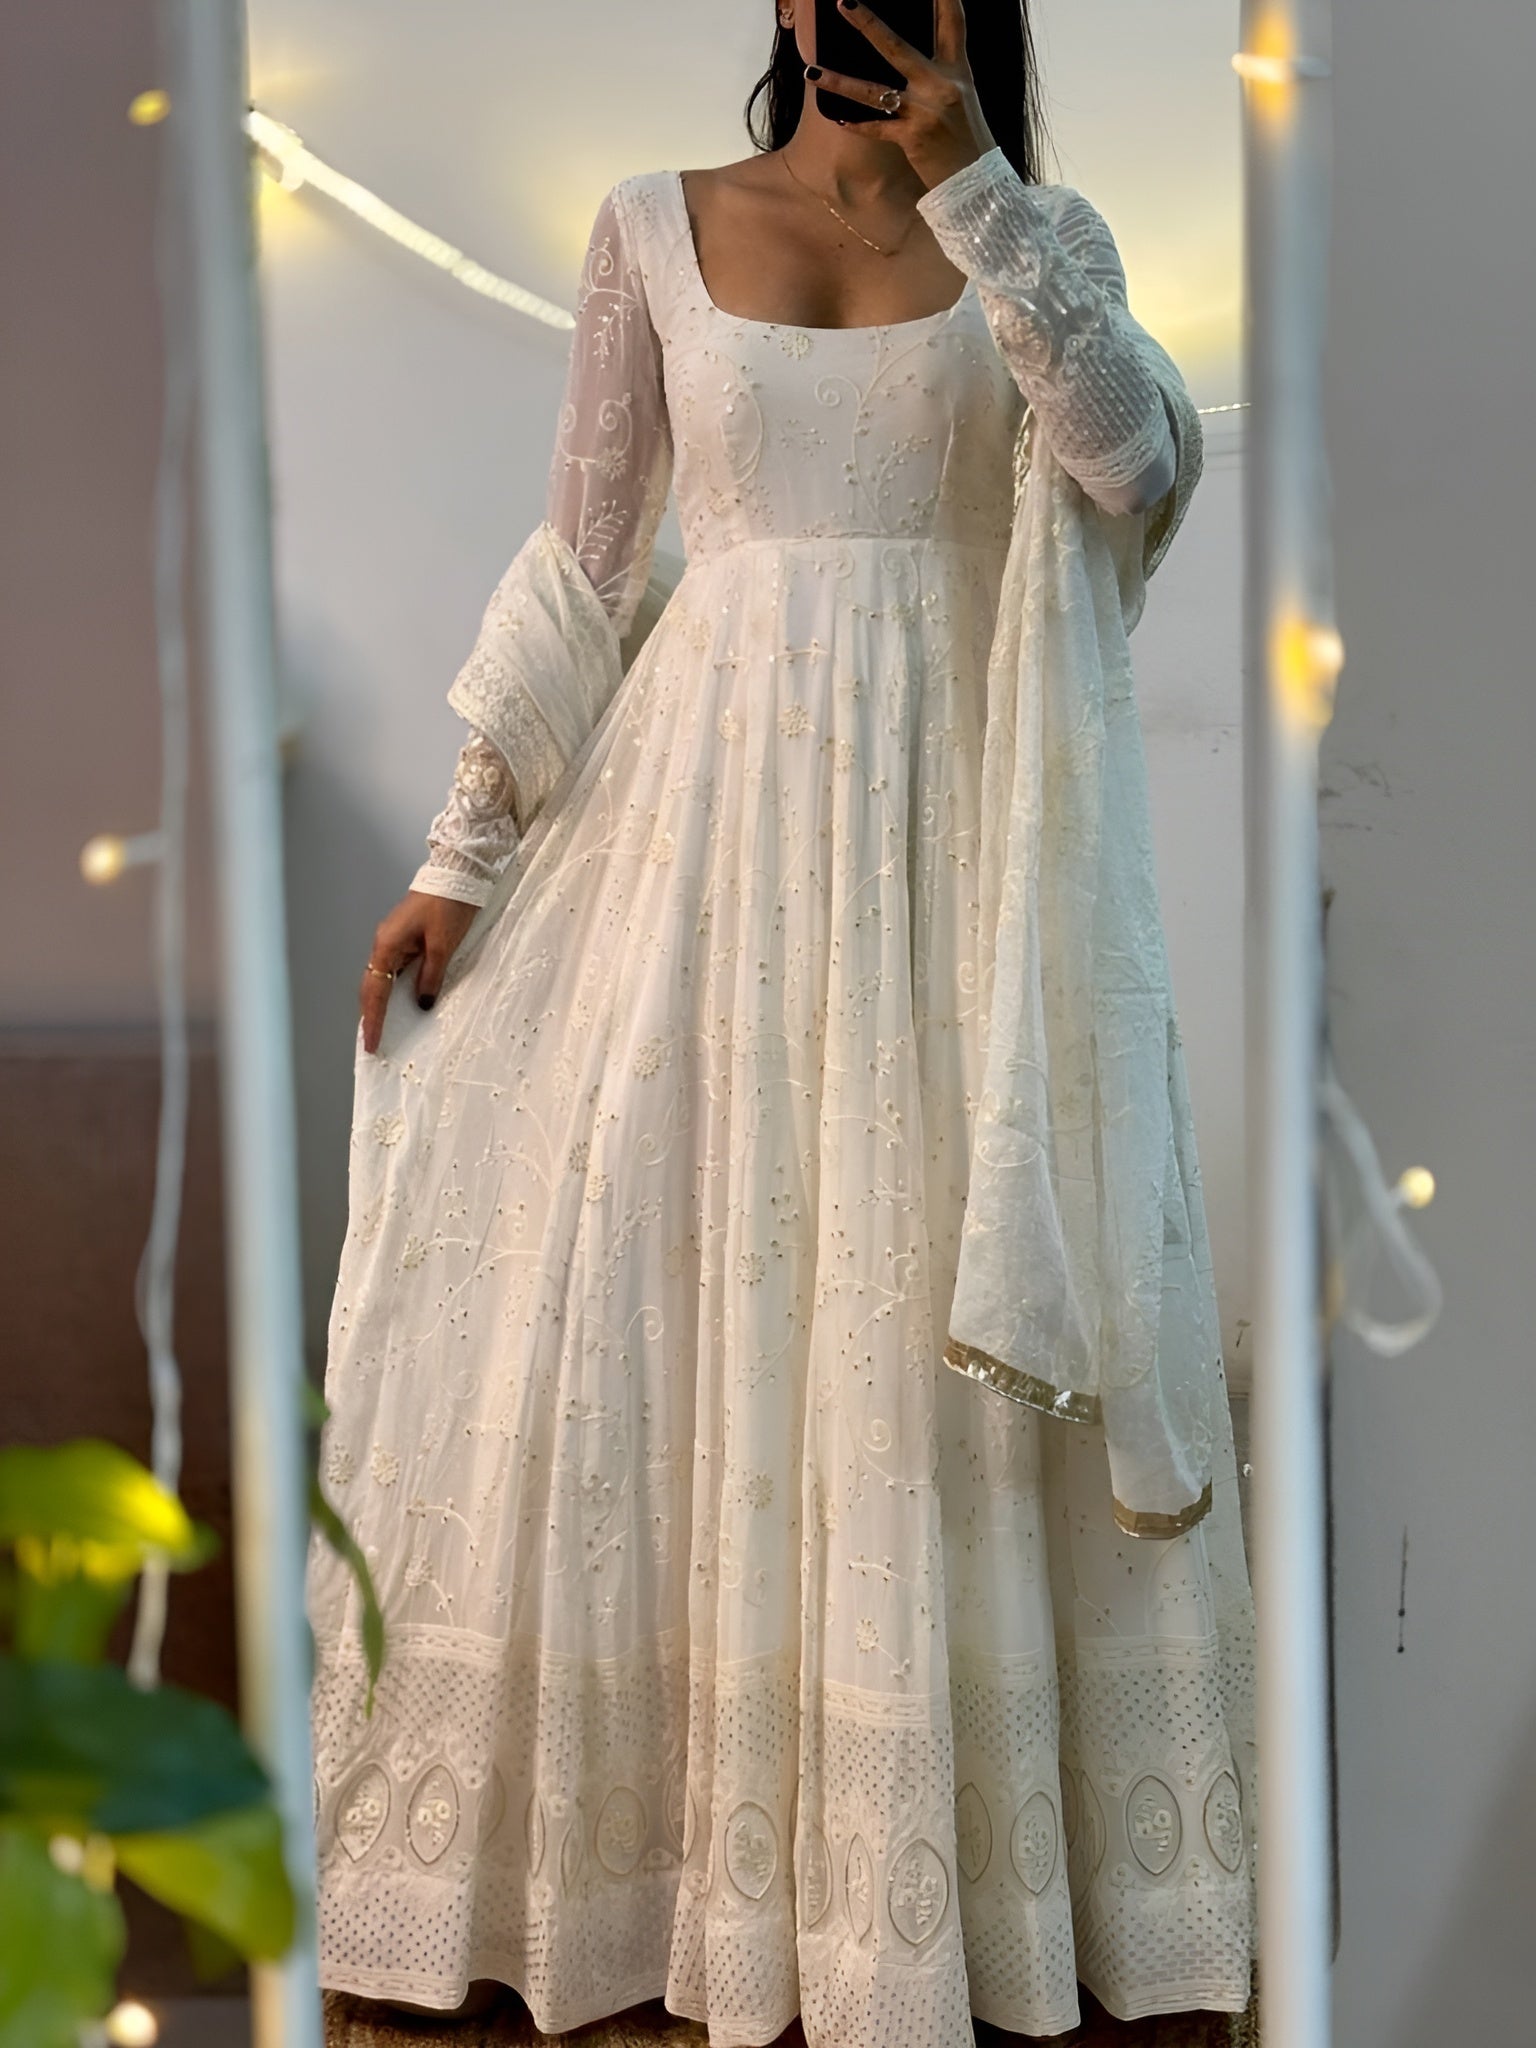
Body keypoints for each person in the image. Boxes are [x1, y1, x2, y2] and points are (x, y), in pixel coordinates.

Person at [307, 3, 1257, 2041]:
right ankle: (681, 1881)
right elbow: (591, 550)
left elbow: (1136, 461)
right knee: (667, 1303)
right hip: (697, 851)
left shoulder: (1039, 237)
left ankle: (935, 1882)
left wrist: (978, 189)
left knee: (917, 1318)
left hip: (953, 871)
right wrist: (462, 857)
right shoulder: (651, 223)